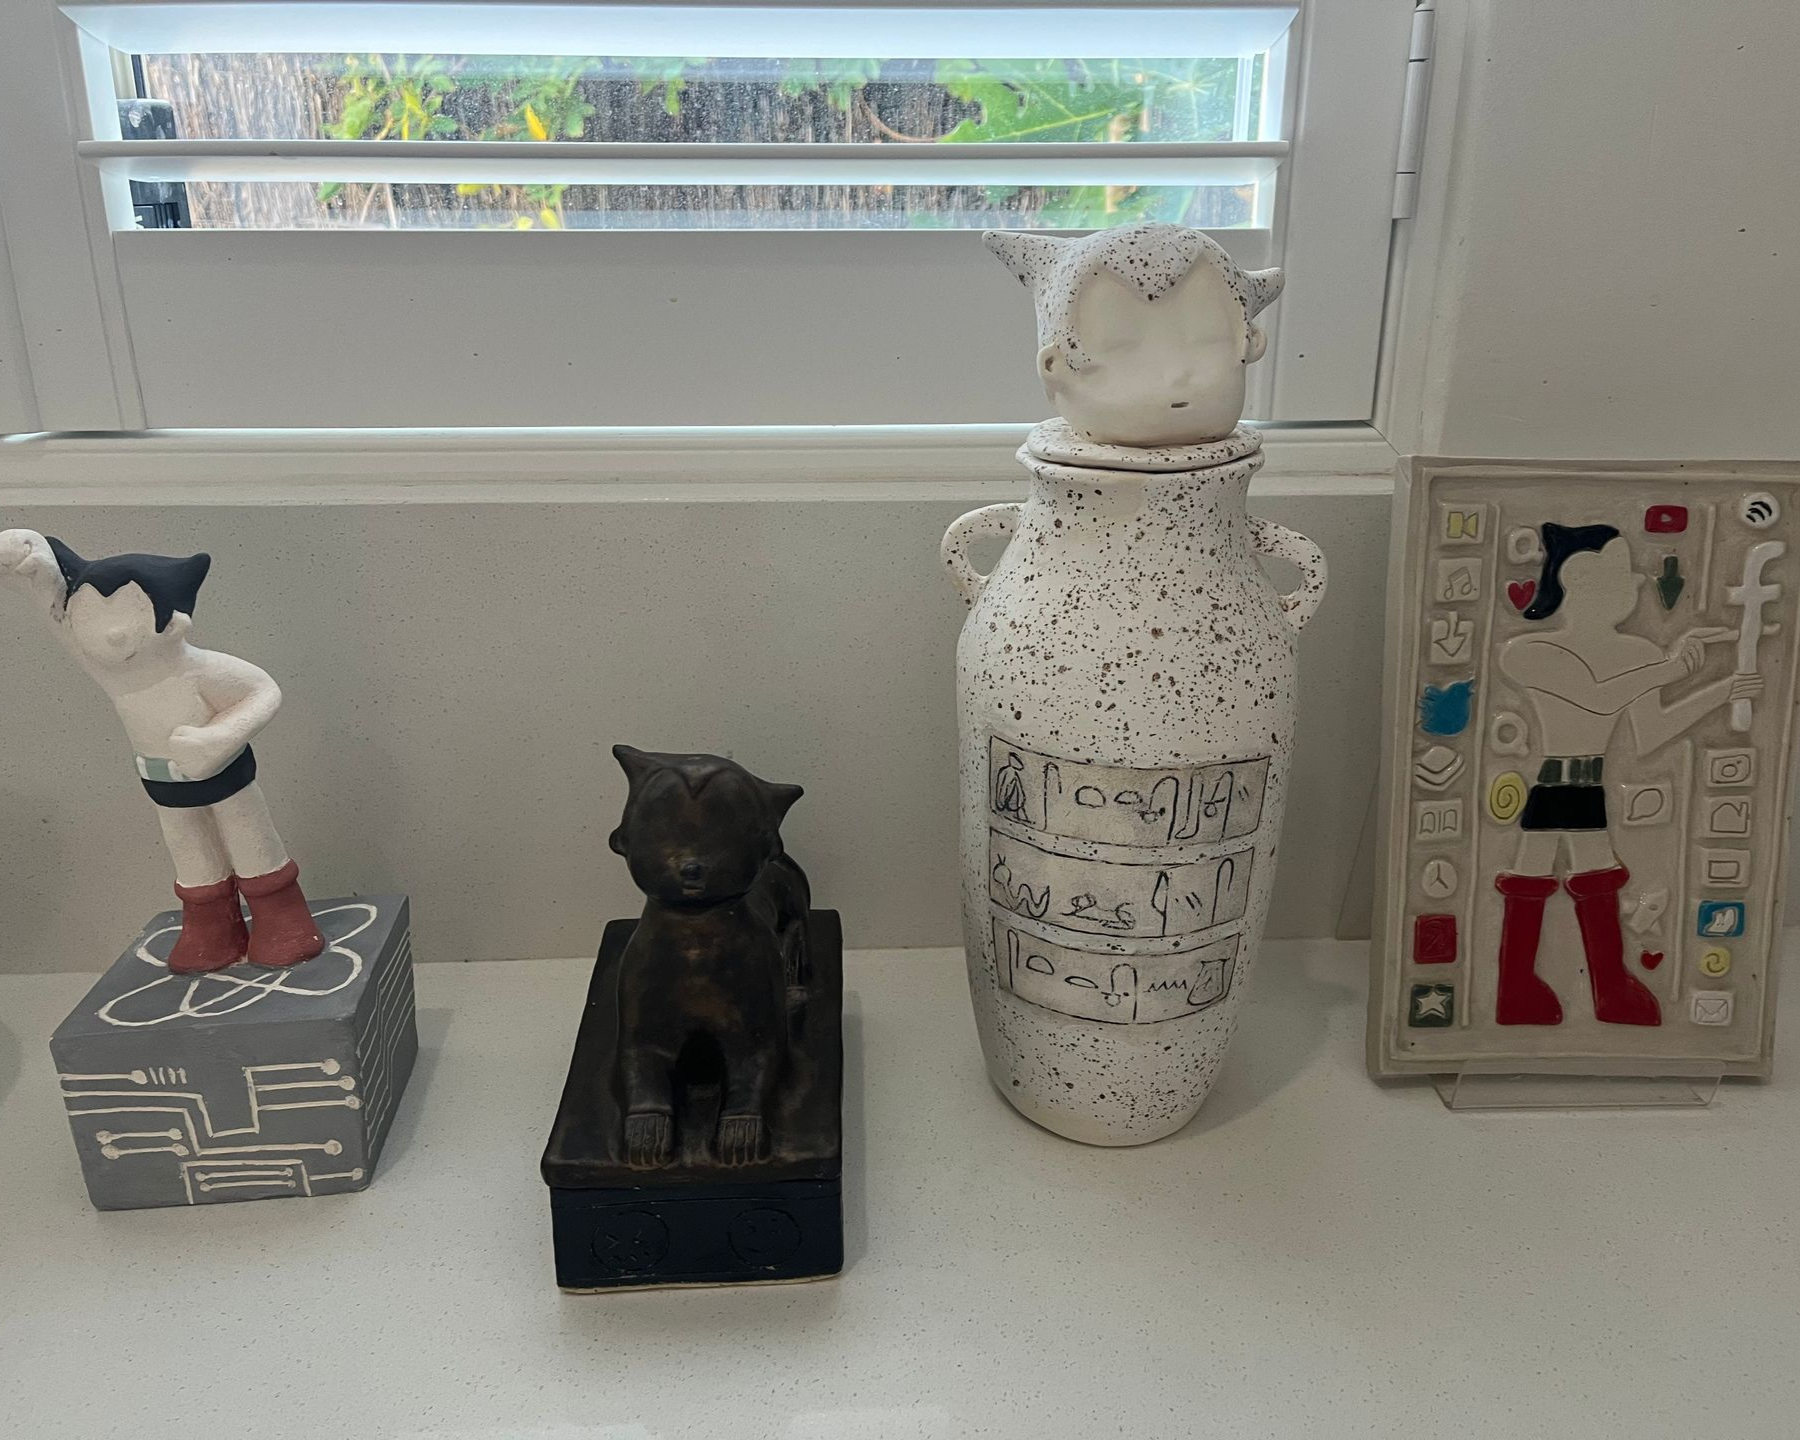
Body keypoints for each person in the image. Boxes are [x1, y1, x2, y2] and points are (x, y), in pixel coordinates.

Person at [0, 528, 324, 973]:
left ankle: (284, 923)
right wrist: (36, 576)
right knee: (192, 855)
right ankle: (211, 930)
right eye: (90, 613)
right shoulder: (116, 674)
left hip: (226, 779)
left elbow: (263, 691)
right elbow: (62, 624)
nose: (105, 631)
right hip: (164, 786)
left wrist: (221, 737)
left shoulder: (200, 669)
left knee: (251, 842)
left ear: (173, 623)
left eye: (125, 613)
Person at [1492, 523, 1759, 1025]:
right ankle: (1519, 987)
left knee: (1593, 876)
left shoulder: (1638, 653)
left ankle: (1607, 989)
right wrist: (1672, 669)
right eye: (1621, 572)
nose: (1635, 583)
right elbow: (1595, 696)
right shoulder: (1529, 652)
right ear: (1577, 576)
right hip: (1552, 781)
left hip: (1590, 783)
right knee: (1534, 872)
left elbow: (1652, 734)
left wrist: (1721, 690)